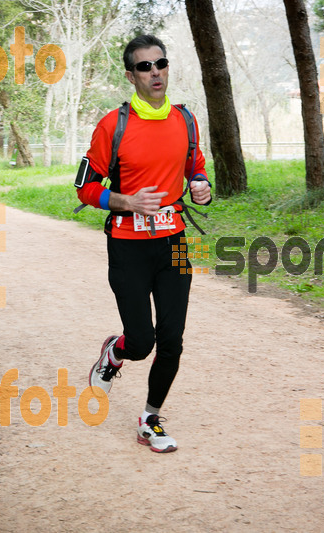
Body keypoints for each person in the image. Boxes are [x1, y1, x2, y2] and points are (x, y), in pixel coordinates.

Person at [77, 35, 212, 453]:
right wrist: (124, 200)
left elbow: (195, 167)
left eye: (161, 64)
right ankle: (114, 354)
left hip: (173, 244)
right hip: (128, 246)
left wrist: (200, 185)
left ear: (167, 68)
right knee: (142, 343)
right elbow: (85, 186)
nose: (155, 72)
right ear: (130, 75)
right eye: (144, 67)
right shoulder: (113, 126)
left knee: (172, 339)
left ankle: (150, 418)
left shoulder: (185, 121)